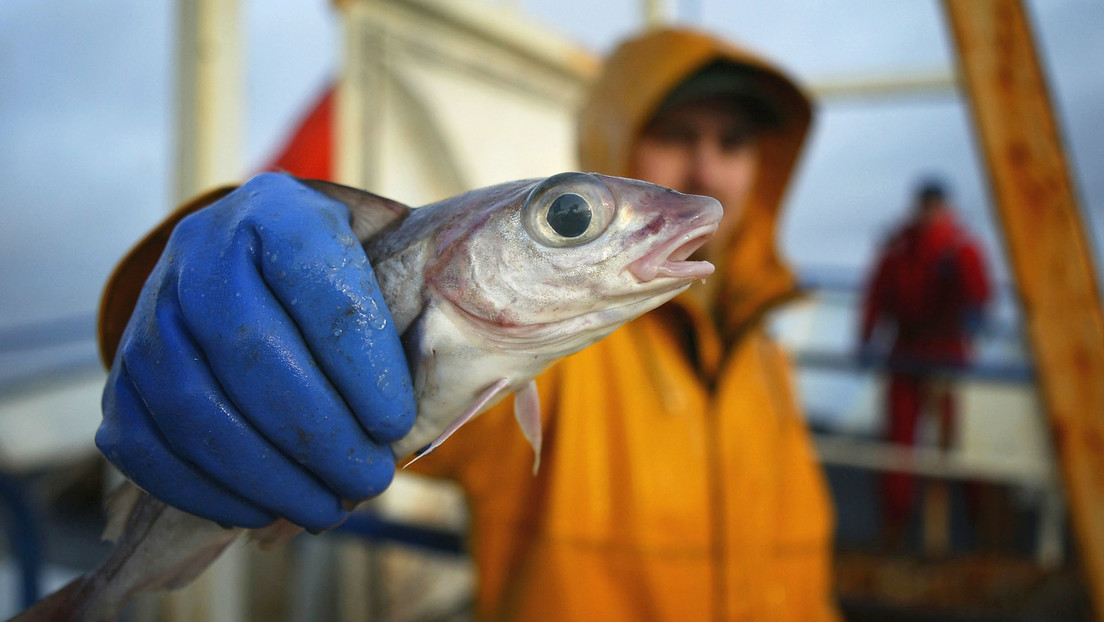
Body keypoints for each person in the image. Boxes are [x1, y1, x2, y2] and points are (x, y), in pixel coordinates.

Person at [97, 27, 839, 620]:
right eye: (677, 134)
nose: (706, 175)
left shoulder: (768, 357)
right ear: (616, 142)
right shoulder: (558, 351)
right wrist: (189, 307)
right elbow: (281, 370)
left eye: (733, 143)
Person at [859, 179, 991, 544]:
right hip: (906, 351)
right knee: (898, 446)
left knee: (960, 443)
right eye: (925, 207)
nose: (930, 215)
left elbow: (979, 293)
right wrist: (866, 336)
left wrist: (974, 311)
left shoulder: (961, 248)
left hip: (948, 353)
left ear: (946, 208)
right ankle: (896, 525)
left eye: (936, 208)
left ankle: (978, 525)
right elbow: (876, 294)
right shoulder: (899, 249)